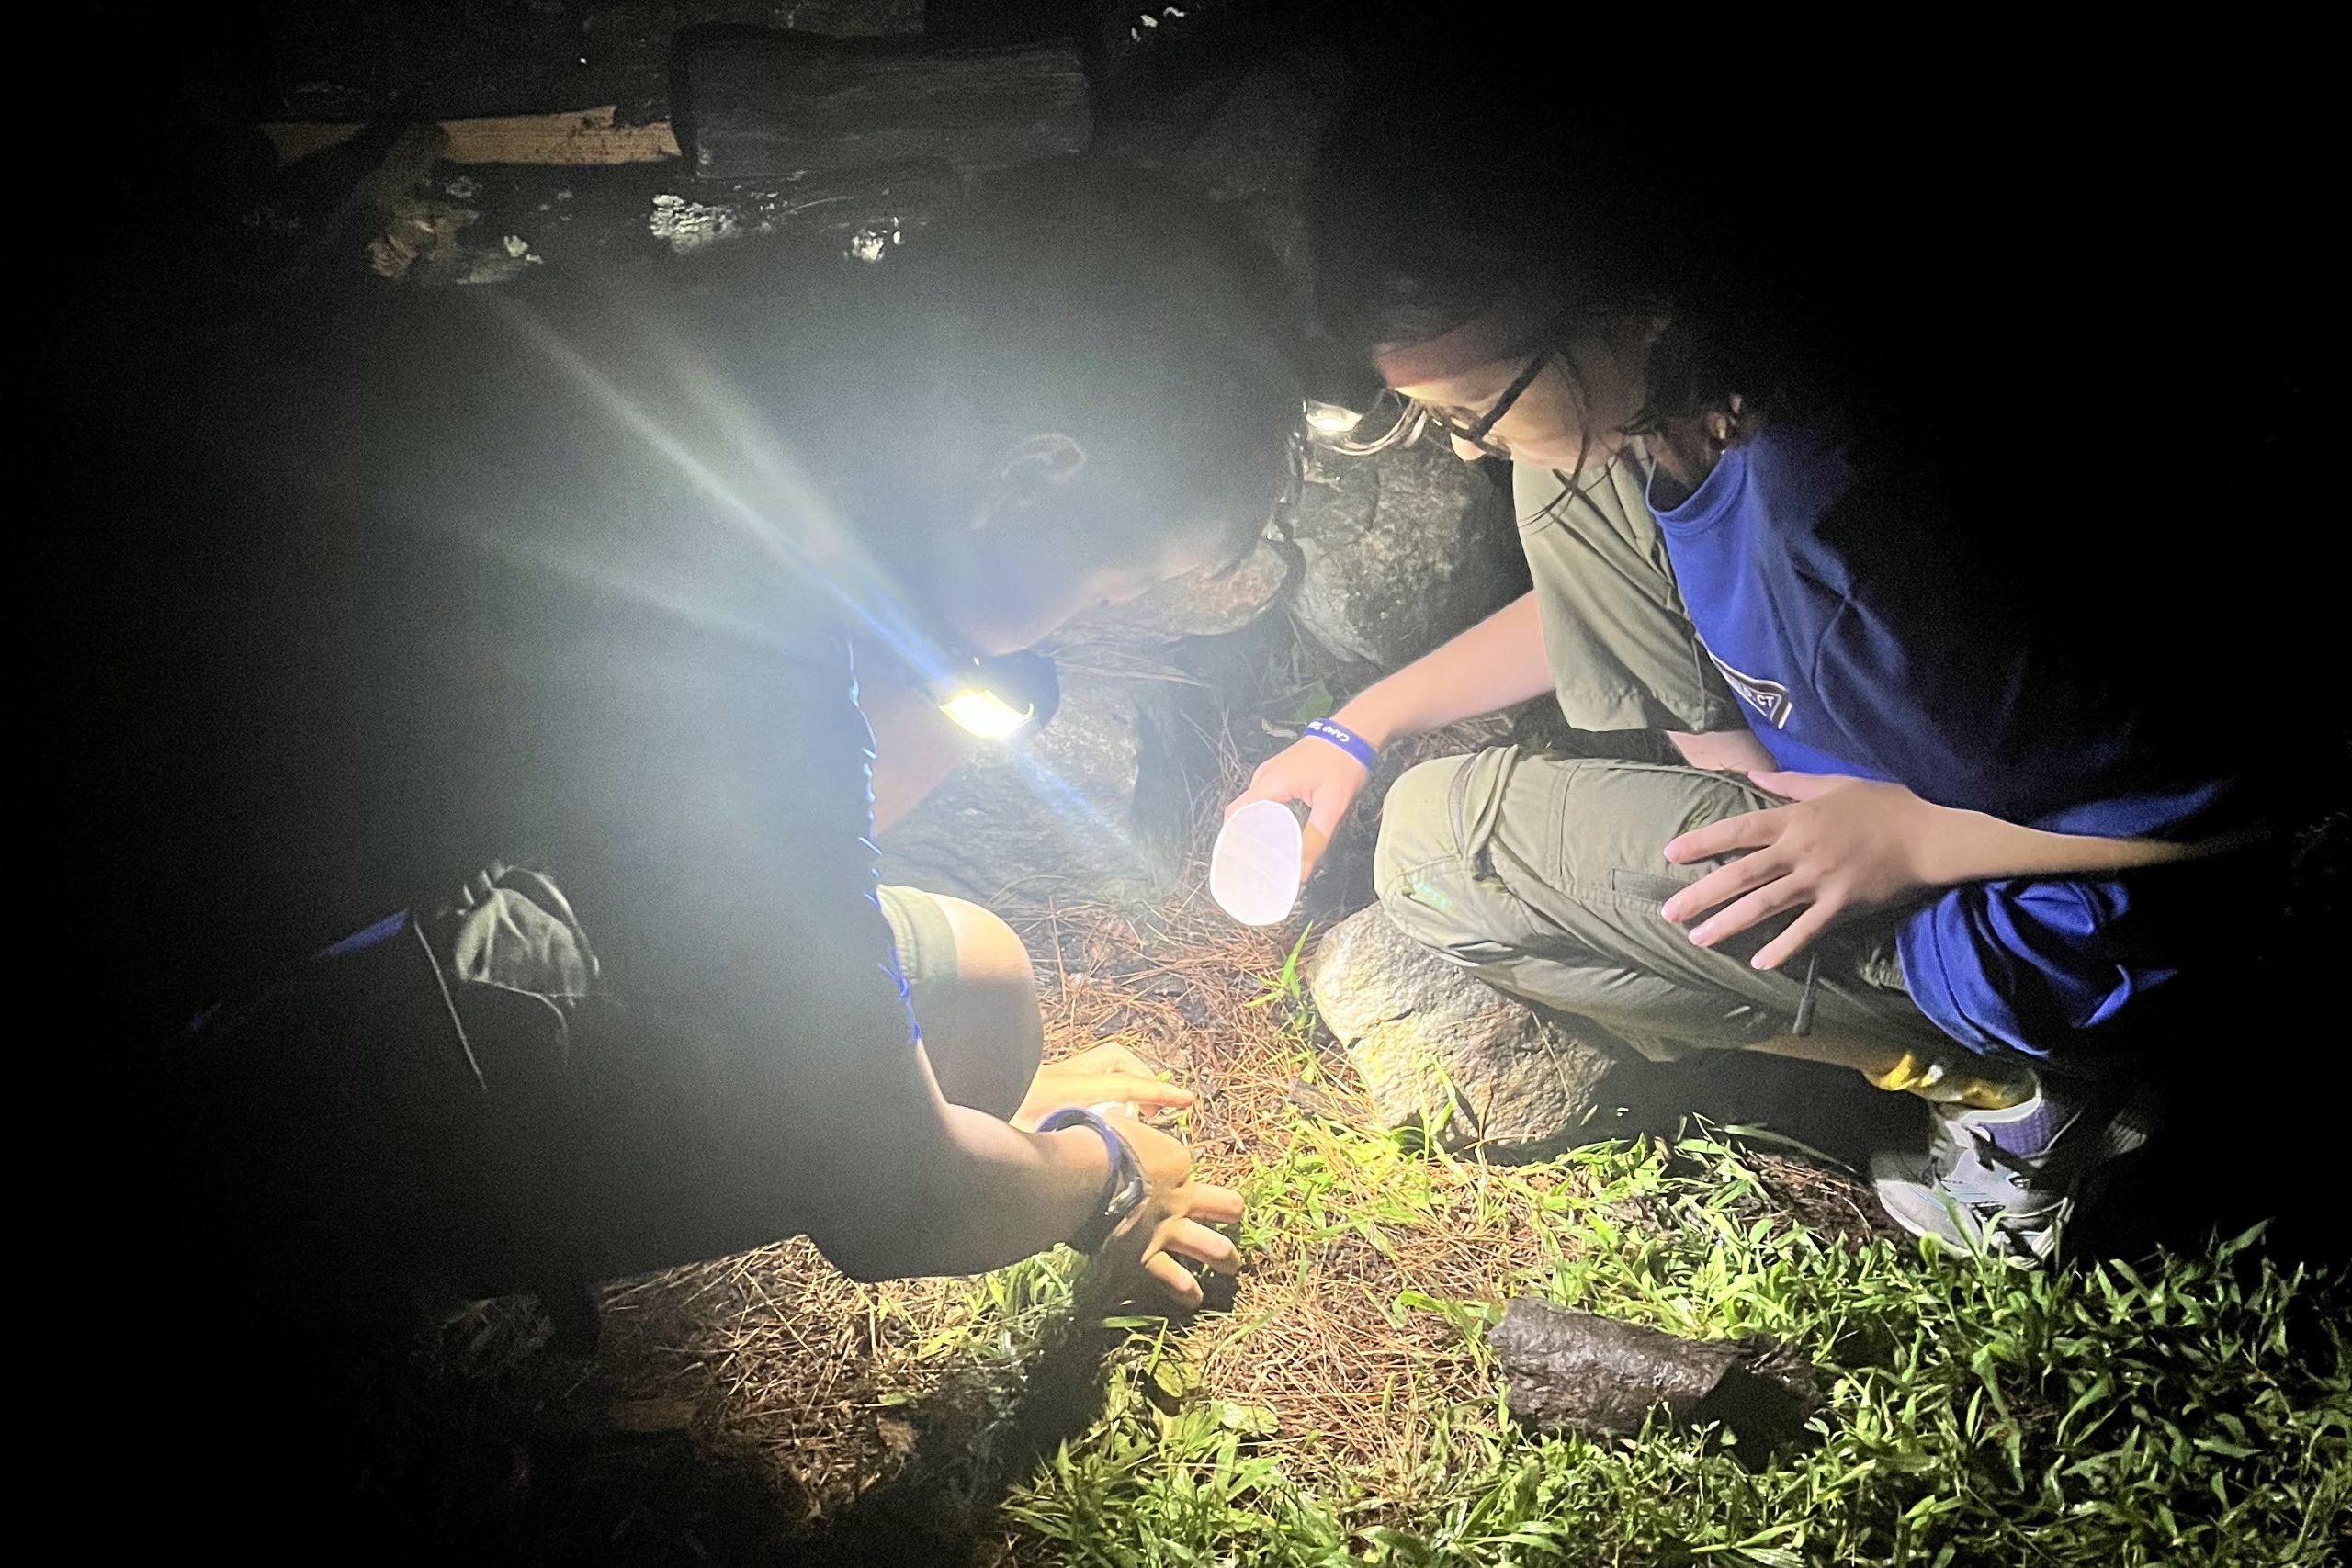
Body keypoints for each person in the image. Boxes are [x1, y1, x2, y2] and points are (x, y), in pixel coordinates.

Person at [42, 161, 1300, 1333]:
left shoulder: (719, 359)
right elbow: (892, 1198)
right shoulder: (742, 614)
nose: (1099, 618)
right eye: (1118, 574)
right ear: (1032, 472)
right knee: (958, 1042)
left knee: (973, 996)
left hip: (268, 863)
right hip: (191, 1047)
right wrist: (1103, 1172)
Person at [1233, 52, 2314, 1260]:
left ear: (1618, 303)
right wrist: (1357, 724)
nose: (1466, 453)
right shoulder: (1703, 379)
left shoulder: (1856, 540)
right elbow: (1584, 522)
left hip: (2044, 918)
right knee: (1565, 481)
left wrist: (1911, 840)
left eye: (1465, 414)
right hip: (1869, 769)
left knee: (1442, 852)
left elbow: (2253, 787)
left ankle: (2024, 1091)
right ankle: (1753, 808)